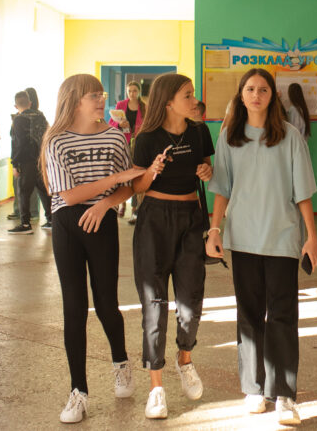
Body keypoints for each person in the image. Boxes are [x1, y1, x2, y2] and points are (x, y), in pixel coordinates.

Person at [206, 68, 317, 426]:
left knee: (283, 316)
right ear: (241, 95)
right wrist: (214, 229)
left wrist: (311, 237)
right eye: (250, 89)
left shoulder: (289, 137)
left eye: (264, 90)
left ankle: (284, 395)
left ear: (273, 96)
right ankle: (254, 389)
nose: (256, 95)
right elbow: (222, 189)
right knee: (249, 315)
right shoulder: (228, 137)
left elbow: (302, 192)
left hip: (282, 238)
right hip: (243, 238)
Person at [42, 73, 144, 424]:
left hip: (102, 223)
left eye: (101, 94)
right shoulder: (55, 140)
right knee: (74, 306)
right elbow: (67, 195)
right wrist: (114, 181)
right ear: (73, 99)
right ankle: (78, 391)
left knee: (106, 303)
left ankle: (121, 362)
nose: (100, 101)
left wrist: (105, 204)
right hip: (68, 224)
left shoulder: (116, 137)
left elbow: (130, 187)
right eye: (92, 96)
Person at [129, 74, 214, 419]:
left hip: (191, 217)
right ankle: (156, 387)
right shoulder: (147, 138)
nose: (194, 101)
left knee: (191, 300)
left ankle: (185, 358)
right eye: (187, 95)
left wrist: (207, 170)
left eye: (193, 95)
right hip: (154, 219)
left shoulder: (199, 132)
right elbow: (137, 186)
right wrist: (151, 170)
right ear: (168, 102)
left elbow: (207, 170)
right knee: (154, 304)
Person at [9, 90, 52, 234]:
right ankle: (51, 219)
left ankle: (25, 224)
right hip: (41, 160)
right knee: (43, 190)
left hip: (26, 161)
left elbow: (17, 144)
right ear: (30, 103)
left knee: (23, 193)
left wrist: (15, 164)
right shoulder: (40, 116)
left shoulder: (18, 120)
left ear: (16, 106)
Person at [109, 80, 146, 220]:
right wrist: (119, 124)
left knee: (136, 174)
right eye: (129, 91)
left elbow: (149, 124)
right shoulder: (120, 105)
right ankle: (121, 203)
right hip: (123, 143)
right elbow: (111, 123)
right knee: (122, 173)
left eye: (135, 91)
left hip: (138, 144)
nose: (132, 93)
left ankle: (135, 208)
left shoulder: (144, 107)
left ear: (139, 91)